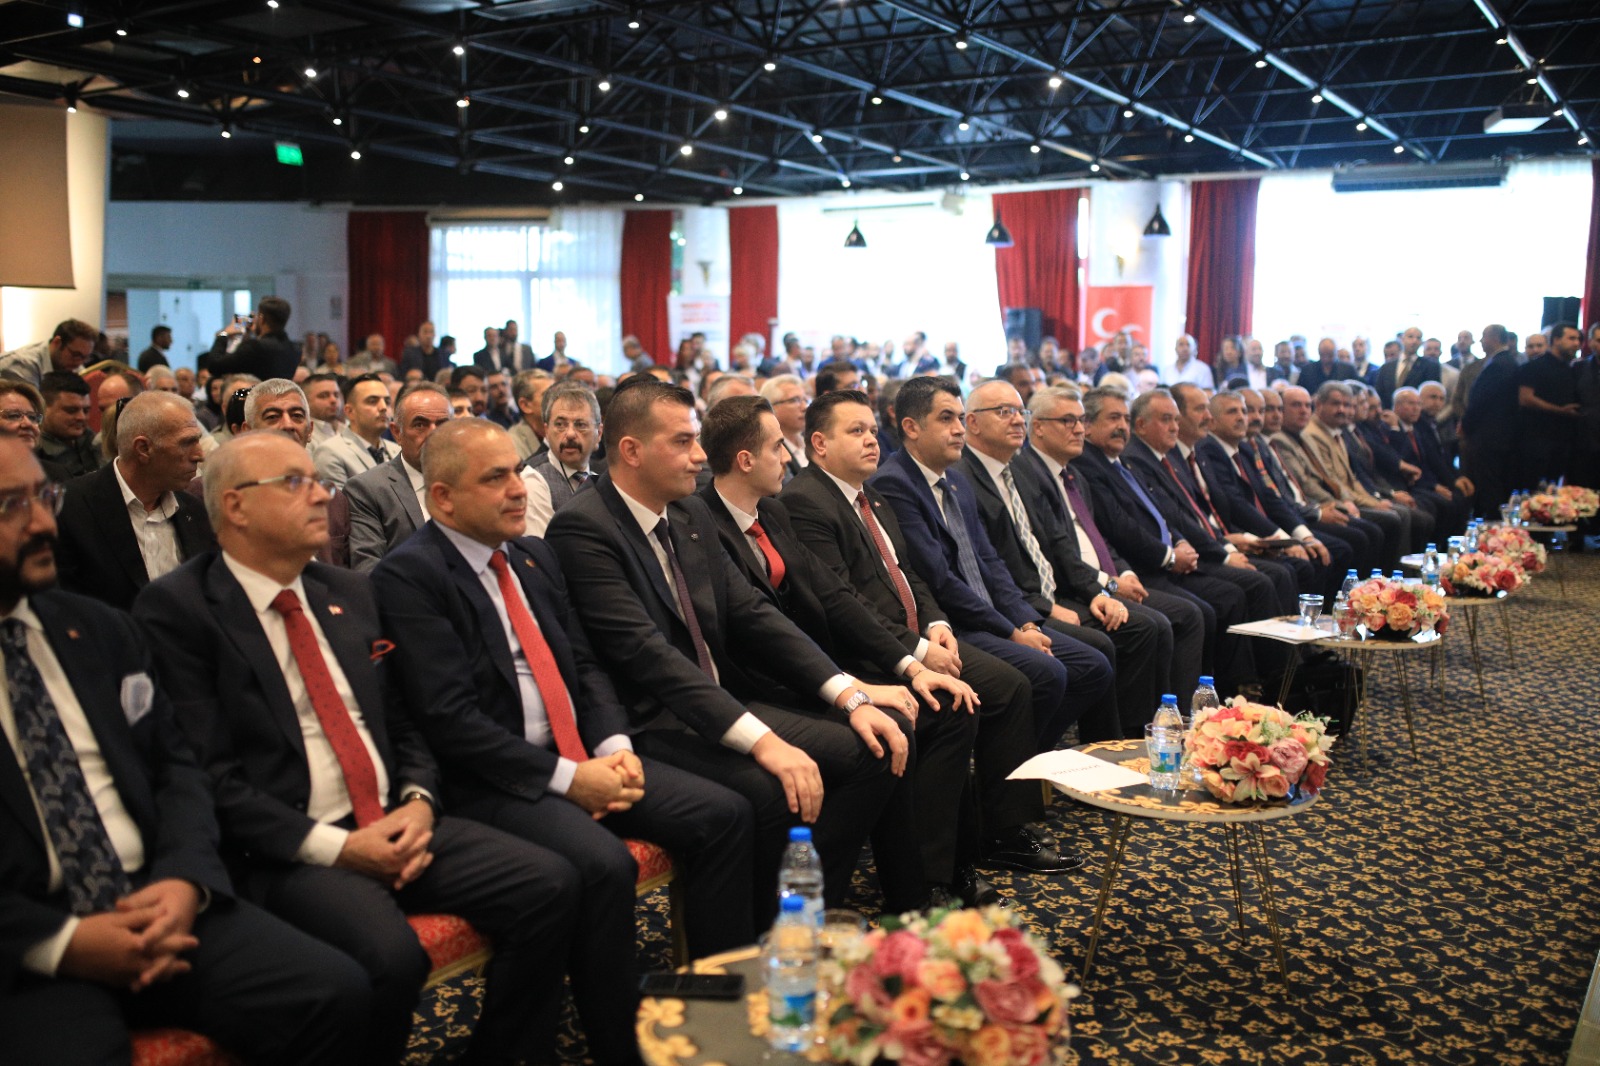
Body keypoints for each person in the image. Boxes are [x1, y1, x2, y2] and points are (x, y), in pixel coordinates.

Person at [133, 431, 592, 1066]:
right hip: (293, 846)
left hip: (395, 817)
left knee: (550, 884)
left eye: (317, 481)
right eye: (295, 483)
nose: (322, 496)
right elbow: (210, 777)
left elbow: (403, 723)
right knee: (389, 958)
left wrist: (419, 801)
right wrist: (343, 848)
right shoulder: (179, 610)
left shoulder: (345, 591)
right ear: (235, 506)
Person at [371, 420, 755, 1049]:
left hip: (580, 753)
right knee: (602, 865)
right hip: (494, 779)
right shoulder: (409, 576)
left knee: (725, 814)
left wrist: (614, 748)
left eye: (517, 472)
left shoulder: (532, 555)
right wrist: (570, 779)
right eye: (494, 478)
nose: (518, 489)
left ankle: (712, 1006)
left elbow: (583, 664)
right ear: (442, 498)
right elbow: (450, 720)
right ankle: (619, 1040)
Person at [0, 438, 373, 1065]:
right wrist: (62, 942)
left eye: (46, 497)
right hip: (29, 940)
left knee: (336, 992)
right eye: (11, 505)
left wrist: (183, 880)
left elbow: (176, 769)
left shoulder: (96, 629)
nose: (43, 523)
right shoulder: (167, 607)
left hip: (156, 894)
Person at [544, 379, 912, 926]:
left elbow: (755, 615)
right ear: (631, 451)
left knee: (875, 744)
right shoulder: (583, 527)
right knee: (767, 790)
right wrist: (764, 742)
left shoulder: (688, 515)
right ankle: (752, 940)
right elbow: (649, 656)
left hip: (723, 699)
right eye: (683, 441)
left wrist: (848, 694)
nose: (699, 455)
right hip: (656, 720)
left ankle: (798, 911)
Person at [701, 395, 1008, 907]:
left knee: (947, 705)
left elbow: (834, 596)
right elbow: (758, 628)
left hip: (814, 668)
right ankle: (816, 904)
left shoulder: (770, 511)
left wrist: (910, 667)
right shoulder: (704, 522)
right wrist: (853, 689)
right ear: (746, 460)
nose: (788, 456)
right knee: (886, 737)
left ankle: (925, 884)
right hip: (763, 685)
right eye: (778, 446)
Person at [779, 389, 1075, 894]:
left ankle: (994, 833)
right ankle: (938, 871)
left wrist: (937, 625)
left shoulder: (869, 495)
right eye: (856, 431)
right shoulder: (806, 502)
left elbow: (909, 574)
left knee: (1009, 685)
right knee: (955, 705)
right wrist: (917, 655)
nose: (872, 440)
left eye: (873, 430)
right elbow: (846, 606)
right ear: (820, 444)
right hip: (864, 656)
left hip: (915, 638)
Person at [868, 376, 1114, 752]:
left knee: (1093, 666)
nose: (958, 429)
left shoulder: (955, 481)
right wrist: (1012, 632)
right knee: (1047, 673)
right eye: (946, 418)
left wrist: (1024, 621)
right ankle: (1011, 767)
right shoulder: (895, 484)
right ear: (911, 428)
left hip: (992, 615)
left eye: (960, 418)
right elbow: (940, 579)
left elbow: (990, 561)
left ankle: (1024, 755)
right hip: (952, 624)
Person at [958, 380, 1179, 734]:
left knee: (1144, 627)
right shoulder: (964, 477)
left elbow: (1057, 541)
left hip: (1047, 593)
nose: (1017, 420)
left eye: (1019, 411)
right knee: (1104, 649)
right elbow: (990, 566)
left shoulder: (1017, 469)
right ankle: (1093, 746)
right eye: (1004, 412)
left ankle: (1131, 740)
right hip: (1018, 604)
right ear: (972, 422)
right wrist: (1043, 609)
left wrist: (1096, 592)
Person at [1019, 386, 1208, 708]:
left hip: (1104, 579)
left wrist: (1124, 572)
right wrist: (1108, 585)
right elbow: (1058, 549)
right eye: (1068, 421)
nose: (1079, 429)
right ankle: (1141, 725)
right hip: (1071, 587)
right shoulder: (1031, 474)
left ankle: (1168, 716)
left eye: (1081, 420)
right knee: (1151, 625)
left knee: (1177, 617)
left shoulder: (1072, 474)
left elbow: (1099, 537)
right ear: (1037, 427)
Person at [1070, 387, 1263, 695]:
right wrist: (1169, 557)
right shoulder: (1088, 466)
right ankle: (1184, 707)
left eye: (1125, 419)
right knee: (1196, 612)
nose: (1122, 426)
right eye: (1113, 418)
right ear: (1088, 426)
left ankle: (1217, 697)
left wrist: (1180, 541)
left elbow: (1162, 513)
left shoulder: (1120, 462)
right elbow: (1119, 528)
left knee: (1217, 602)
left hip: (1161, 560)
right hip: (1141, 567)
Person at [54, 393, 213, 613]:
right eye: (187, 443)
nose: (199, 455)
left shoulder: (195, 511)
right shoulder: (70, 508)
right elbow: (62, 606)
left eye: (197, 440)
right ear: (143, 449)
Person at [1197, 390, 1346, 599]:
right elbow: (1238, 506)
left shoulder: (1244, 450)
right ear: (1212, 421)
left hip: (1264, 530)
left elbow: (1269, 498)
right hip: (1240, 534)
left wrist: (1300, 536)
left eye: (1243, 411)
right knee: (1295, 567)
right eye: (1232, 412)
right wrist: (1284, 541)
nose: (1242, 417)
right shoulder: (1209, 450)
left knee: (1323, 552)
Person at [345, 382, 453, 572]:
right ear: (397, 433)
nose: (433, 434)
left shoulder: (471, 481)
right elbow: (368, 568)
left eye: (442, 425)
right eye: (420, 425)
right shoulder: (367, 490)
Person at [522, 381, 602, 537]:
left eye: (580, 425)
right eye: (560, 424)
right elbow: (543, 547)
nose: (570, 434)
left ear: (598, 434)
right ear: (546, 431)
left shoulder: (602, 477)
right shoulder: (533, 480)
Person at [1514, 321, 1583, 488]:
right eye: (1571, 338)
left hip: (1561, 443)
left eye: (1578, 339)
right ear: (1556, 340)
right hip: (1535, 442)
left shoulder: (1571, 369)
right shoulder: (1533, 367)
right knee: (1529, 490)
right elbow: (1525, 399)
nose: (1576, 343)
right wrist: (1560, 411)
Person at [312, 374, 399, 491]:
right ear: (350, 411)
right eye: (372, 401)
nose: (383, 407)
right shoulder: (330, 452)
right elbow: (340, 502)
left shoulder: (397, 450)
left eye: (387, 402)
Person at [200, 298, 298, 382]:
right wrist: (252, 335)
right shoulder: (294, 349)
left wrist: (224, 334)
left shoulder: (254, 347)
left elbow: (215, 366)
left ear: (262, 319)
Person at [36, 372, 101, 480]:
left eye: (86, 410)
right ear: (43, 408)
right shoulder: (32, 453)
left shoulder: (92, 440)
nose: (81, 417)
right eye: (71, 410)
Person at [0, 319, 97, 387]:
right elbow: (32, 407)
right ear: (57, 343)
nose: (79, 363)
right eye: (75, 355)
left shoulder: (72, 365)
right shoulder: (22, 365)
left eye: (85, 357)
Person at [1375, 326, 1441, 409]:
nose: (1414, 341)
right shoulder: (1387, 367)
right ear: (1402, 339)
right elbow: (1379, 392)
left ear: (1421, 343)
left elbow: (1431, 394)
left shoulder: (1430, 366)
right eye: (1410, 337)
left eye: (1418, 338)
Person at [509, 369, 554, 462]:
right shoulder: (512, 442)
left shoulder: (564, 430)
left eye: (557, 393)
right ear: (525, 405)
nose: (557, 399)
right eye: (547, 395)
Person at [302, 372, 343, 447]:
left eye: (336, 395)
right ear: (306, 401)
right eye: (323, 396)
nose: (333, 400)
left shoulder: (348, 429)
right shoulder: (305, 436)